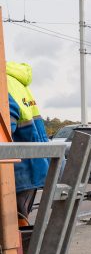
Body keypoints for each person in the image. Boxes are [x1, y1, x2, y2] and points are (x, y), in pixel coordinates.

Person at [6, 61, 50, 227]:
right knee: (18, 225)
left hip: (16, 172)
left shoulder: (4, 83)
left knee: (13, 230)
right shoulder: (15, 80)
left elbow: (5, 129)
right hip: (30, 167)